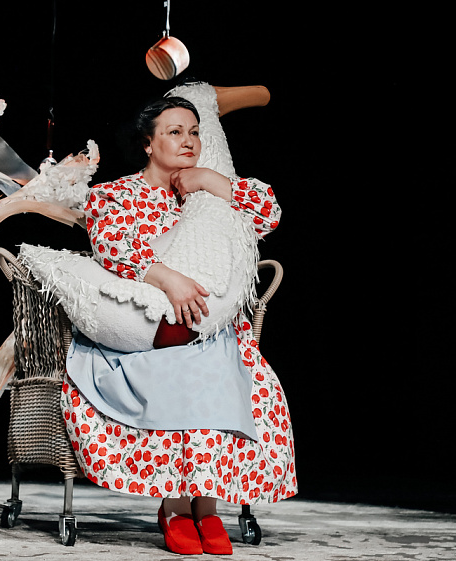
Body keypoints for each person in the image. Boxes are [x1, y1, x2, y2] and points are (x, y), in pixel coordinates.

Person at [60, 96, 296, 555]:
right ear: (148, 144)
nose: (188, 141)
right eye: (174, 132)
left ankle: (207, 507)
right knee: (188, 370)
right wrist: (168, 279)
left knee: (225, 365)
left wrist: (209, 180)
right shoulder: (116, 195)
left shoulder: (205, 196)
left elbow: (269, 214)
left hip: (209, 332)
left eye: (193, 132)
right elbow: (112, 247)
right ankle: (175, 507)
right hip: (144, 335)